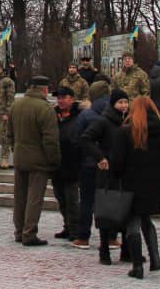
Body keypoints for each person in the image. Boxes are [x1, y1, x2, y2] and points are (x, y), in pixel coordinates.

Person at [116, 96, 160, 279]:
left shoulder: (127, 131)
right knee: (146, 219)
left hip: (131, 181)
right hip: (153, 181)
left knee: (133, 222)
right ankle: (155, 258)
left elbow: (118, 160)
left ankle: (137, 265)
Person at [9, 76, 60, 247]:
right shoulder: (45, 108)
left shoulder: (17, 104)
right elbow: (50, 140)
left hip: (19, 157)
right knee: (34, 198)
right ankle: (29, 233)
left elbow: (10, 133)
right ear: (45, 89)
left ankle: (19, 231)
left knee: (20, 196)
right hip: (38, 160)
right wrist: (54, 160)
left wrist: (14, 149)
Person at [81, 89, 131, 262]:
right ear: (113, 104)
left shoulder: (129, 120)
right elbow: (86, 138)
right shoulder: (103, 121)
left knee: (126, 210)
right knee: (106, 211)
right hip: (108, 172)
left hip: (124, 171)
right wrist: (100, 157)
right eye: (120, 103)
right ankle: (104, 249)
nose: (124, 106)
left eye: (126, 102)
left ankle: (126, 249)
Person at [69, 94, 107, 249]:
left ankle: (84, 237)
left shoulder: (85, 115)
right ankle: (110, 238)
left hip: (87, 164)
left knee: (86, 201)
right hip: (106, 164)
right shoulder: (113, 115)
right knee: (106, 200)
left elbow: (76, 139)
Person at [50, 86, 83, 241]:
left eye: (64, 97)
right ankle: (67, 226)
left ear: (72, 99)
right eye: (59, 98)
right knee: (60, 197)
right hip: (57, 164)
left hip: (73, 164)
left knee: (72, 200)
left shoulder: (80, 116)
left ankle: (76, 229)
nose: (61, 101)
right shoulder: (53, 115)